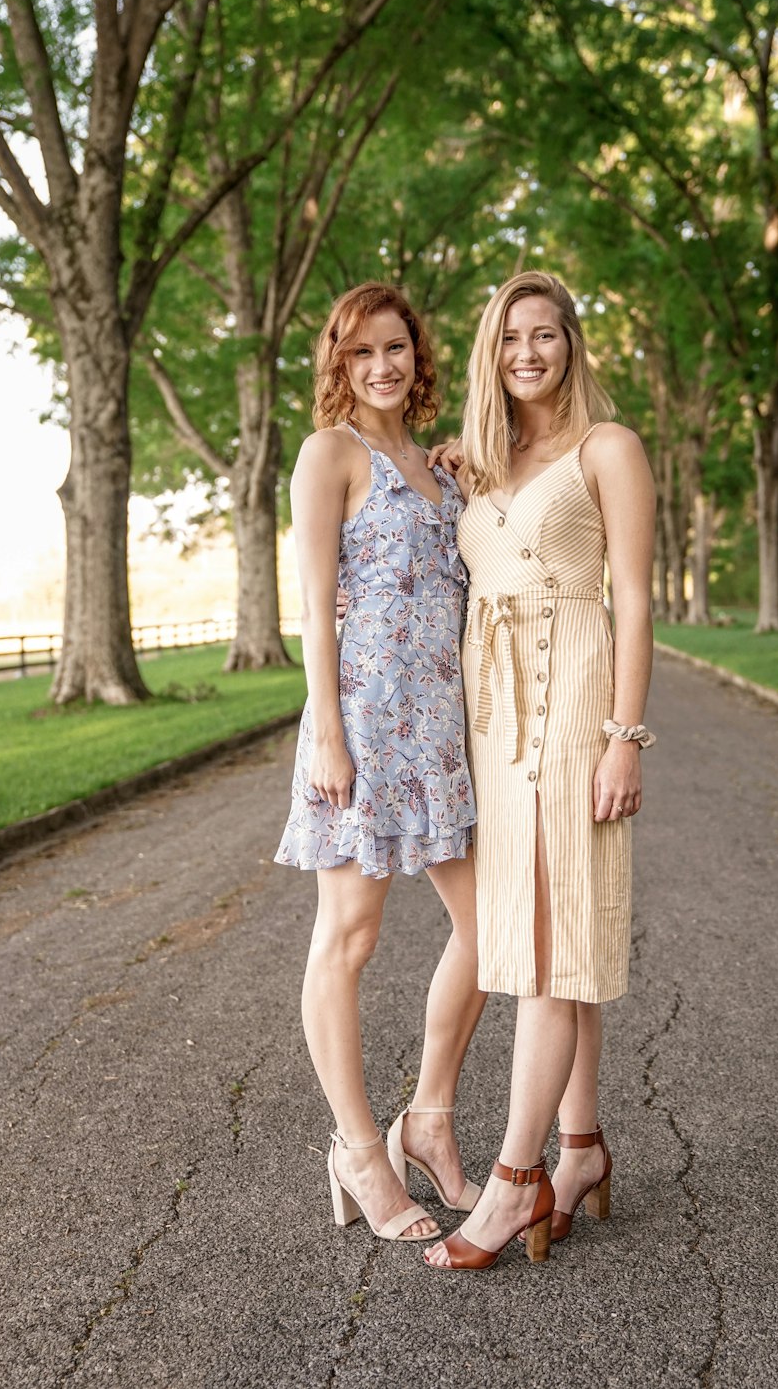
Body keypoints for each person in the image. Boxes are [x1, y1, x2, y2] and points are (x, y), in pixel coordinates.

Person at [423, 270, 656, 1270]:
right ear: (493, 349)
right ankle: (582, 1146)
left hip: (571, 705)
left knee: (554, 940)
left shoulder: (608, 448)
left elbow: (637, 601)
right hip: (493, 716)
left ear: (571, 343)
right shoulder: (478, 463)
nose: (528, 351)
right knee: (540, 929)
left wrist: (623, 736)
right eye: (511, 336)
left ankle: (512, 1185)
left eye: (546, 334)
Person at [276, 282, 486, 1244]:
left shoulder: (437, 466)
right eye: (362, 354)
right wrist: (327, 729)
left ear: (418, 354)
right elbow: (315, 604)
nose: (384, 367)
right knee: (348, 941)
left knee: (494, 931)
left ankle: (428, 1118)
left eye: (396, 348)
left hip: (442, 736)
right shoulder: (331, 455)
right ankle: (359, 1152)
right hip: (361, 729)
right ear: (339, 364)